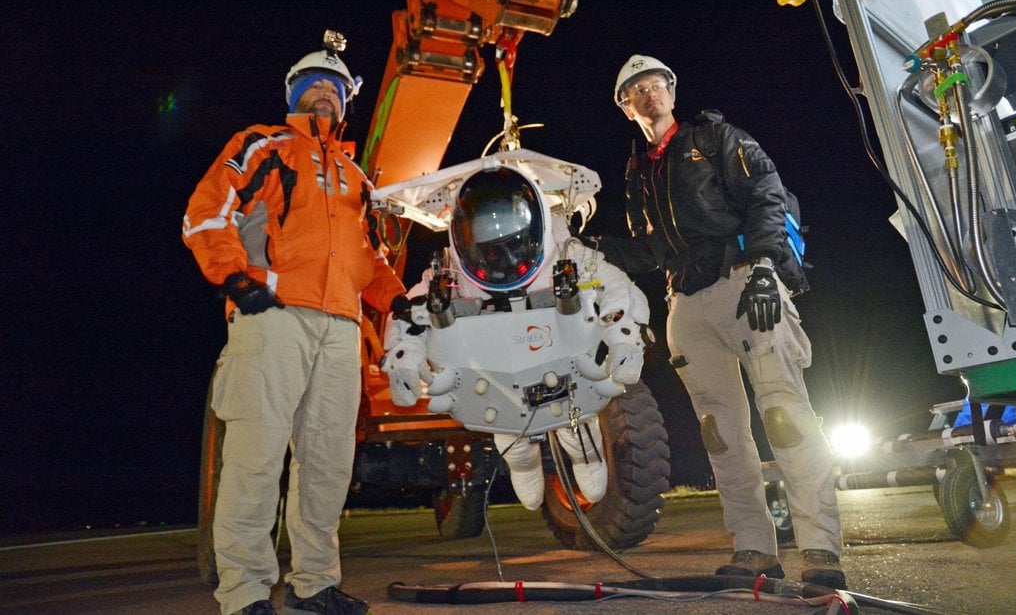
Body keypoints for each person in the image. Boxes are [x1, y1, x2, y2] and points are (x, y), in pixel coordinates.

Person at [595, 54, 846, 589]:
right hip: (686, 300)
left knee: (783, 413)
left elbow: (767, 194)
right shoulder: (641, 173)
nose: (648, 93)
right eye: (634, 90)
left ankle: (821, 549)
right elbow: (651, 250)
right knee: (720, 435)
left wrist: (761, 265)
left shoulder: (715, 139)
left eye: (656, 83)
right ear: (624, 107)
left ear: (672, 90)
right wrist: (588, 249)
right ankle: (754, 547)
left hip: (744, 282)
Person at [182, 40, 406, 615]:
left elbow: (368, 258)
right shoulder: (262, 143)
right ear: (294, 93)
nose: (325, 92)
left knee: (328, 463)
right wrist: (234, 278)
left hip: (340, 329)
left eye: (335, 86)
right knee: (256, 457)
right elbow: (208, 209)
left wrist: (399, 303)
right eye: (313, 83)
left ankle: (314, 584)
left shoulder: (357, 177)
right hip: (273, 318)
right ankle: (245, 592)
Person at [380, 163, 651, 509]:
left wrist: (624, 339)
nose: (505, 259)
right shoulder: (449, 272)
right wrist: (404, 362)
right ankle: (524, 464)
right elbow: (410, 313)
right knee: (513, 440)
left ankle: (586, 459)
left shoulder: (565, 253)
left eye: (512, 245)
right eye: (492, 250)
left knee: (578, 434)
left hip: (563, 377)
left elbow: (616, 289)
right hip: (498, 387)